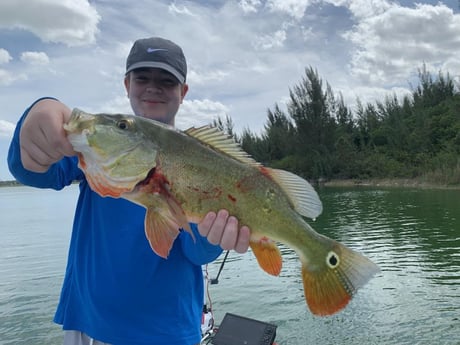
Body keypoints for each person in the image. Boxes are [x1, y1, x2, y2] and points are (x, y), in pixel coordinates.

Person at [8, 37, 251, 345]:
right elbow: (33, 172)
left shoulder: (199, 162)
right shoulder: (97, 150)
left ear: (183, 92)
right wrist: (39, 113)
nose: (153, 87)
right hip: (90, 324)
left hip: (167, 331)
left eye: (166, 80)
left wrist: (213, 237)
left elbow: (194, 252)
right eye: (142, 77)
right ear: (126, 84)